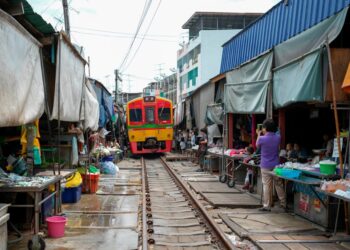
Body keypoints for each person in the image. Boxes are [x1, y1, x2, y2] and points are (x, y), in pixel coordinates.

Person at [256, 119, 286, 211]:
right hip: (276, 164)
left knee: (266, 185)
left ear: (265, 128)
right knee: (279, 184)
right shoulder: (278, 137)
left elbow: (257, 145)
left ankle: (267, 205)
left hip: (265, 165)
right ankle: (283, 203)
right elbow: (277, 133)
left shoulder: (261, 138)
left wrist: (258, 134)